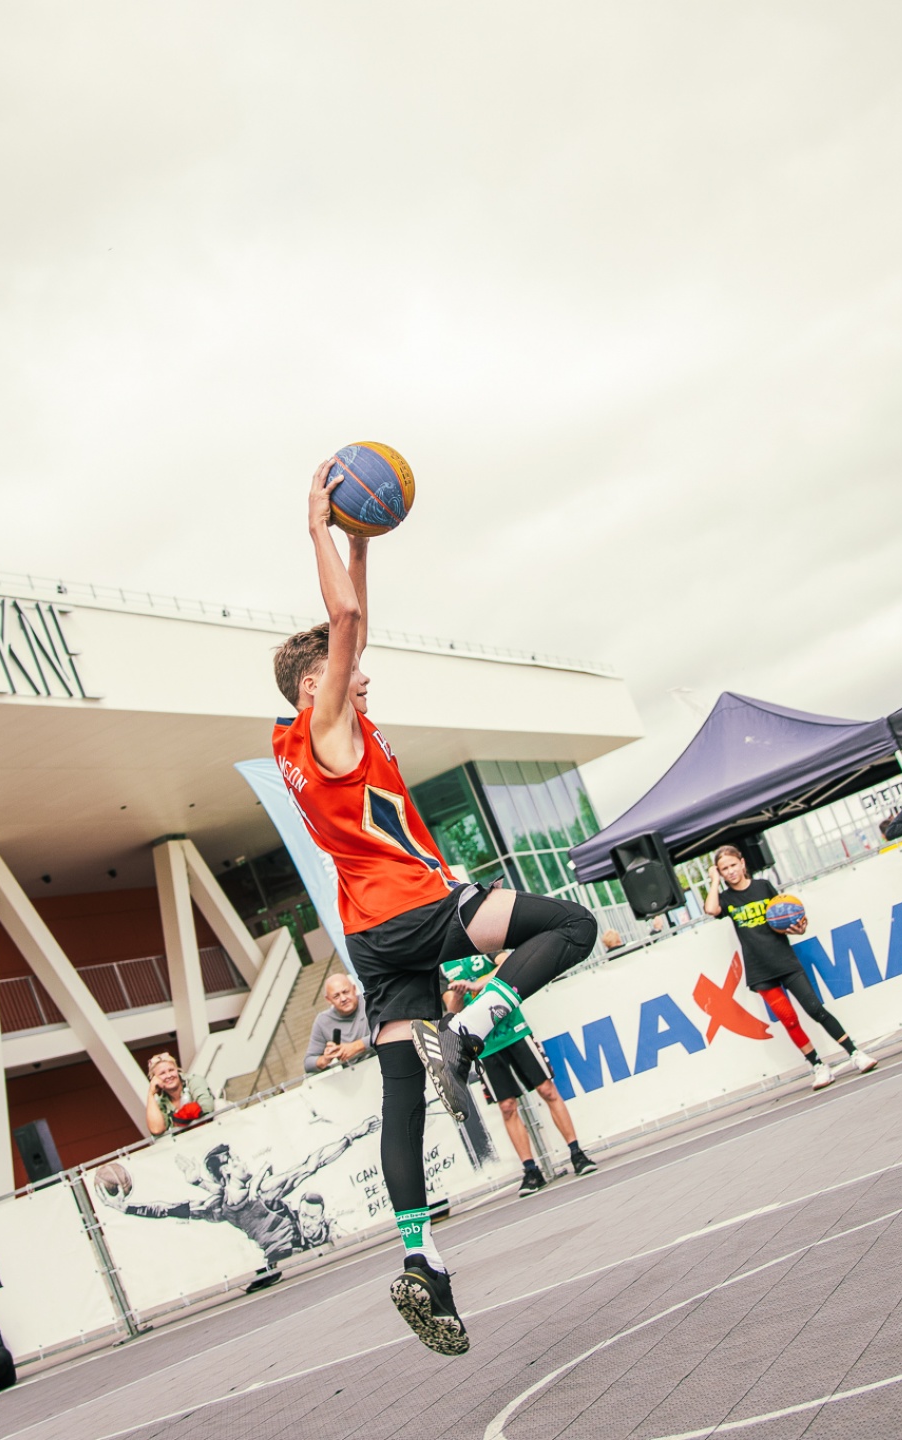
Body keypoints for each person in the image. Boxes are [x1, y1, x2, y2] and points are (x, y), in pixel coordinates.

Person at [269, 460, 601, 1357]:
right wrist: (317, 527)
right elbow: (344, 625)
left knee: (401, 1097)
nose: (362, 676)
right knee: (572, 925)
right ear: (313, 685)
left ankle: (422, 1261)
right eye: (346, 672)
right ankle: (476, 1024)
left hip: (370, 939)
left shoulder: (298, 744)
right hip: (415, 906)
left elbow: (354, 623)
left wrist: (360, 544)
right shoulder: (327, 724)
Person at [100, 1120, 379, 1293]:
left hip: (288, 1253)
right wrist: (352, 1136)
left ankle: (269, 1273)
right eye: (235, 1161)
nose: (242, 1162)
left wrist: (127, 1208)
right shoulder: (263, 1192)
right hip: (295, 1250)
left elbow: (169, 1209)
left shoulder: (219, 1206)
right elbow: (311, 1164)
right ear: (227, 1171)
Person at [703, 845, 878, 1087]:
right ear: (719, 872)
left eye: (733, 865)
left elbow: (785, 916)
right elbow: (711, 909)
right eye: (724, 869)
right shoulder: (726, 899)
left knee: (815, 1009)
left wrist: (798, 928)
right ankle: (818, 1066)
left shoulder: (763, 887)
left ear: (742, 863)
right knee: (790, 1020)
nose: (730, 871)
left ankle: (855, 1053)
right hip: (760, 972)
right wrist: (713, 880)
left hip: (785, 962)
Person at [439, 950, 598, 1194]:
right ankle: (531, 1170)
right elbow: (452, 1009)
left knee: (547, 1089)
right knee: (507, 1106)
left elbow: (507, 963)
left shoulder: (479, 942)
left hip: (515, 1028)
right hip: (483, 1043)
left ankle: (576, 1152)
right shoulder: (442, 966)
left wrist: (478, 984)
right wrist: (460, 995)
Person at [302, 972, 371, 1074]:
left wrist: (357, 1046)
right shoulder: (322, 1022)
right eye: (336, 996)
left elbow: (390, 1033)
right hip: (352, 1075)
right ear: (328, 999)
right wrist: (325, 1059)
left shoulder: (371, 1002)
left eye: (345, 992)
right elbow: (308, 1063)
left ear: (354, 988)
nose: (343, 999)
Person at [142, 1051, 216, 1136]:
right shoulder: (161, 1103)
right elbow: (156, 1130)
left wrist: (179, 1119)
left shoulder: (194, 1081)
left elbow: (207, 1107)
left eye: (171, 1070)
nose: (169, 1075)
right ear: (154, 1079)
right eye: (162, 1073)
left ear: (177, 1070)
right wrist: (150, 1094)